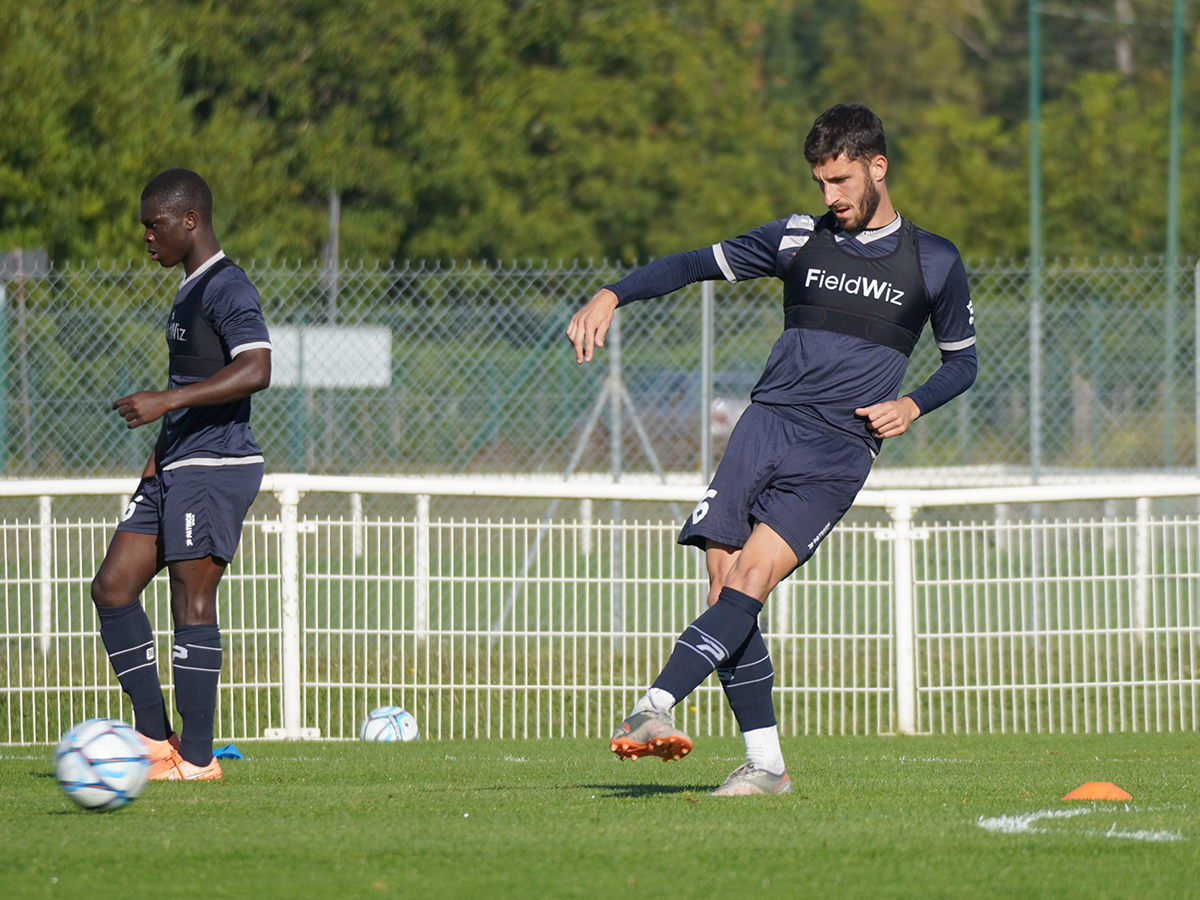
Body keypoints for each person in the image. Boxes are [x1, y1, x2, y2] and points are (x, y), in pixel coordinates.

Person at [566, 104, 976, 795]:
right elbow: (696, 263)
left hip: (840, 446)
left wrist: (911, 404)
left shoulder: (933, 260)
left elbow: (962, 364)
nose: (830, 197)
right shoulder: (796, 239)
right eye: (820, 182)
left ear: (879, 167)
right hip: (764, 427)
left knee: (751, 580)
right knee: (726, 589)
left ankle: (654, 705)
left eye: (842, 181)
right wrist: (613, 294)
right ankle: (767, 766)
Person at [90, 168, 272, 780]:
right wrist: (151, 471)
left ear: (188, 220)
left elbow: (257, 369)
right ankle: (154, 739)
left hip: (215, 465)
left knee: (191, 602)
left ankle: (196, 761)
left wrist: (164, 404)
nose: (147, 236)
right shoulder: (188, 288)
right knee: (113, 587)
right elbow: (189, 381)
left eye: (154, 224)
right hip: (173, 466)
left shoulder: (227, 285)